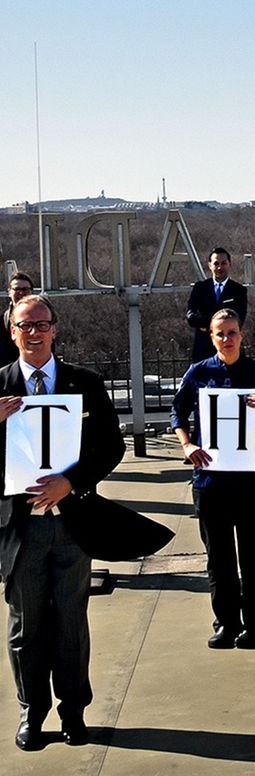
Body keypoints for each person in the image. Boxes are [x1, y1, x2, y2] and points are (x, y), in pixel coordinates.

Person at [0, 292, 125, 751]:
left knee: (71, 622)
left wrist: (69, 483)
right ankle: (32, 713)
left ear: (55, 328)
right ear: (11, 330)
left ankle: (73, 711)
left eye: (42, 324)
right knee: (25, 625)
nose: (33, 332)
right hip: (18, 529)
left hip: (72, 524)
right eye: (24, 325)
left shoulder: (84, 383)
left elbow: (112, 447)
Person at [170, 307, 255, 649]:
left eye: (232, 332)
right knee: (218, 557)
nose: (227, 339)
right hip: (211, 480)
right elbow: (178, 411)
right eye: (220, 334)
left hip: (250, 479)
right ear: (212, 337)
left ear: (241, 334)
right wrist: (187, 444)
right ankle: (226, 622)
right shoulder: (199, 372)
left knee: (254, 554)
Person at [185, 247, 249, 362]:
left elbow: (239, 319)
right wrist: (223, 320)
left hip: (230, 350)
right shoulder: (200, 288)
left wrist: (205, 324)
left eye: (223, 263)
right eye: (216, 263)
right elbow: (191, 317)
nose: (220, 267)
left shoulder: (239, 290)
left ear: (230, 264)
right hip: (203, 351)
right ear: (210, 265)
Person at [0, 273, 34, 367]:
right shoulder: (1, 323)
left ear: (31, 292)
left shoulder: (43, 323)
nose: (21, 293)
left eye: (25, 289)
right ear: (9, 292)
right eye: (17, 289)